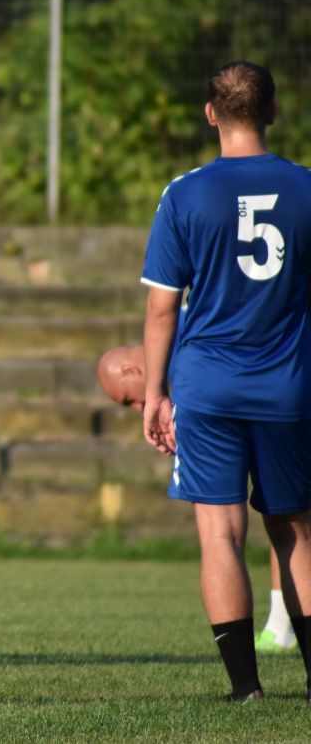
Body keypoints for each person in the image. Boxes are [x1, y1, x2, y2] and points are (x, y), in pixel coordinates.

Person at [140, 61, 311, 702]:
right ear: (272, 112)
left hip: (208, 386)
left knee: (220, 533)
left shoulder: (184, 194)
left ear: (210, 114)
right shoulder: (306, 188)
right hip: (289, 386)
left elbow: (162, 308)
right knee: (294, 532)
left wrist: (155, 393)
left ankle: (246, 688)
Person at [97, 345, 297, 652]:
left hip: (229, 402)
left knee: (224, 532)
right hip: (282, 387)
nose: (138, 407)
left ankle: (263, 654)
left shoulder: (191, 355)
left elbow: (161, 314)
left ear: (129, 370)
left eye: (129, 400)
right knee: (288, 516)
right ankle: (281, 626)